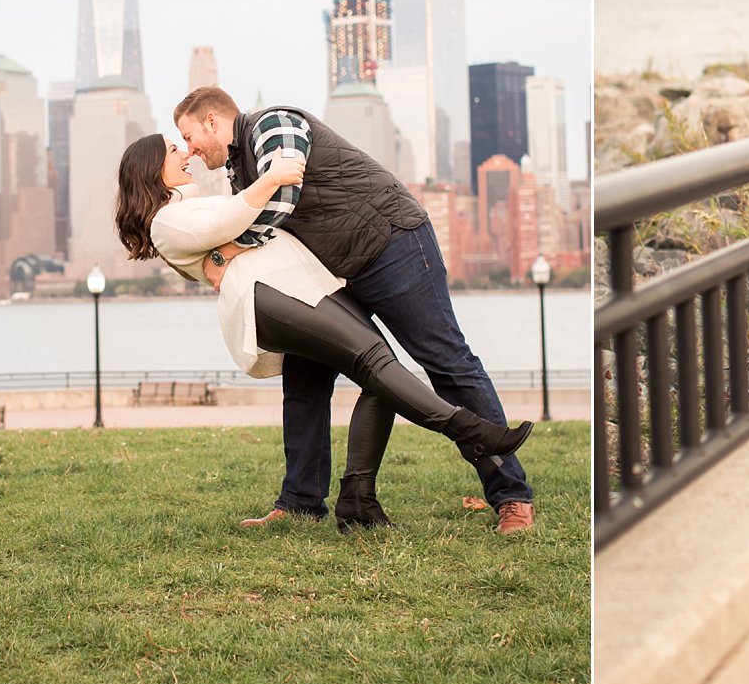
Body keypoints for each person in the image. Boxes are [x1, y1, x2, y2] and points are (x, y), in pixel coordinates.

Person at [112, 133, 534, 525]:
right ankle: (469, 430)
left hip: (305, 287)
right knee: (374, 362)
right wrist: (275, 176)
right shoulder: (167, 221)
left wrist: (226, 251)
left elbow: (231, 227)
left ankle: (356, 498)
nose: (186, 153)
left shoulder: (188, 204)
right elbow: (229, 219)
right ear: (150, 169)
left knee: (376, 374)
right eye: (174, 148)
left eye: (184, 141)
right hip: (274, 296)